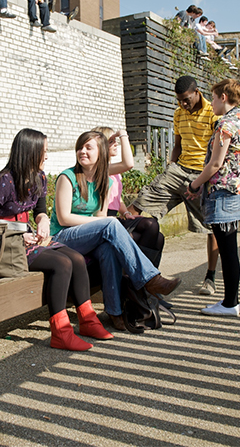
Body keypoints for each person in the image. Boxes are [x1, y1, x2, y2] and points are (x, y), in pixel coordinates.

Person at [0, 128, 113, 352]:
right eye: (44, 151)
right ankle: (61, 333)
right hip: (4, 248)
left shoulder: (39, 177)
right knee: (62, 263)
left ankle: (88, 321)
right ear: (29, 152)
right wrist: (17, 231)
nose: (47, 156)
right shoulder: (2, 181)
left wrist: (42, 221)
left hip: (27, 242)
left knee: (77, 259)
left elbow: (40, 211)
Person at [50, 131, 181, 331]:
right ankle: (150, 279)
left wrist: (99, 223)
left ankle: (115, 311)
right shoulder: (67, 178)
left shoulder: (106, 181)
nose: (82, 151)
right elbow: (63, 218)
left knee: (108, 250)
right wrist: (98, 222)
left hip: (86, 236)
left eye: (88, 147)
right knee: (112, 224)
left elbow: (101, 218)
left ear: (101, 153)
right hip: (62, 238)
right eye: (80, 147)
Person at [127, 76, 220, 296]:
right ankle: (123, 265)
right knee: (138, 203)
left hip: (202, 174)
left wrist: (206, 178)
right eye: (179, 100)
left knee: (212, 225)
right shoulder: (178, 113)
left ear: (197, 92)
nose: (182, 104)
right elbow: (177, 145)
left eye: (186, 100)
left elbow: (218, 151)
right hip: (178, 171)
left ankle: (210, 278)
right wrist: (170, 167)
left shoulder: (212, 114)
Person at [185, 79, 240, 317]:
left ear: (224, 97)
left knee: (228, 250)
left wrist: (194, 185)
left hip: (224, 194)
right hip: (238, 192)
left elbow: (215, 163)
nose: (211, 103)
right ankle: (230, 301)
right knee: (230, 249)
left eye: (213, 98)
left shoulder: (225, 124)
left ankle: (229, 303)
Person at [94, 126, 165, 267]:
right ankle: (141, 278)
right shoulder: (100, 169)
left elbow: (117, 198)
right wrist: (123, 135)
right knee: (150, 226)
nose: (116, 144)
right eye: (111, 141)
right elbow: (128, 164)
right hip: (106, 221)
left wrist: (126, 212)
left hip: (116, 218)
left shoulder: (114, 171)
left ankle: (146, 281)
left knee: (159, 237)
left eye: (116, 141)